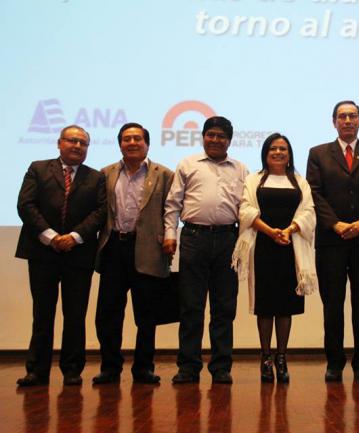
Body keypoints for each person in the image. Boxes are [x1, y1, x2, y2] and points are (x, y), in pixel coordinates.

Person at [306, 100, 359, 382]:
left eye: (353, 116)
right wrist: (336, 223)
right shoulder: (318, 154)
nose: (347, 121)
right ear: (334, 122)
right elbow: (314, 194)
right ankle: (334, 362)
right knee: (333, 304)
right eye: (342, 116)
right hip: (331, 240)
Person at [16, 125, 106, 386]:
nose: (77, 146)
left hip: (79, 254)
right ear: (59, 143)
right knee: (42, 313)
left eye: (83, 143)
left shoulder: (96, 177)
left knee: (75, 314)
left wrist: (75, 237)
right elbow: (26, 204)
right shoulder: (38, 168)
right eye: (72, 141)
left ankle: (72, 370)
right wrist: (51, 236)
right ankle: (37, 370)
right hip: (42, 252)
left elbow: (101, 212)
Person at [163, 116, 248, 384]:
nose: (215, 140)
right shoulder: (187, 165)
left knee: (224, 307)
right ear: (203, 137)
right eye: (210, 134)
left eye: (221, 136)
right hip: (193, 237)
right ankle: (188, 366)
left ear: (229, 141)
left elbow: (247, 209)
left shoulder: (241, 169)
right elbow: (173, 204)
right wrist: (169, 235)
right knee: (191, 305)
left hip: (228, 240)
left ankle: (221, 367)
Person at [232, 133, 317, 383]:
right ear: (265, 153)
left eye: (283, 149)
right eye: (273, 149)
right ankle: (265, 358)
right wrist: (271, 232)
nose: (278, 152)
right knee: (265, 306)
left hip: (290, 248)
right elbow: (245, 210)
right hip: (262, 248)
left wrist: (289, 231)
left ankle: (282, 357)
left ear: (289, 154)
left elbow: (309, 212)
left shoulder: (299, 181)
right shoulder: (253, 179)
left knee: (286, 306)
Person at [93, 123, 174, 385]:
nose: (132, 143)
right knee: (108, 313)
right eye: (127, 139)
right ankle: (110, 367)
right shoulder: (105, 174)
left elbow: (170, 213)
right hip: (114, 248)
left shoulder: (164, 175)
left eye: (137, 138)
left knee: (147, 314)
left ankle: (143, 368)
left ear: (147, 144)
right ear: (120, 144)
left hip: (148, 249)